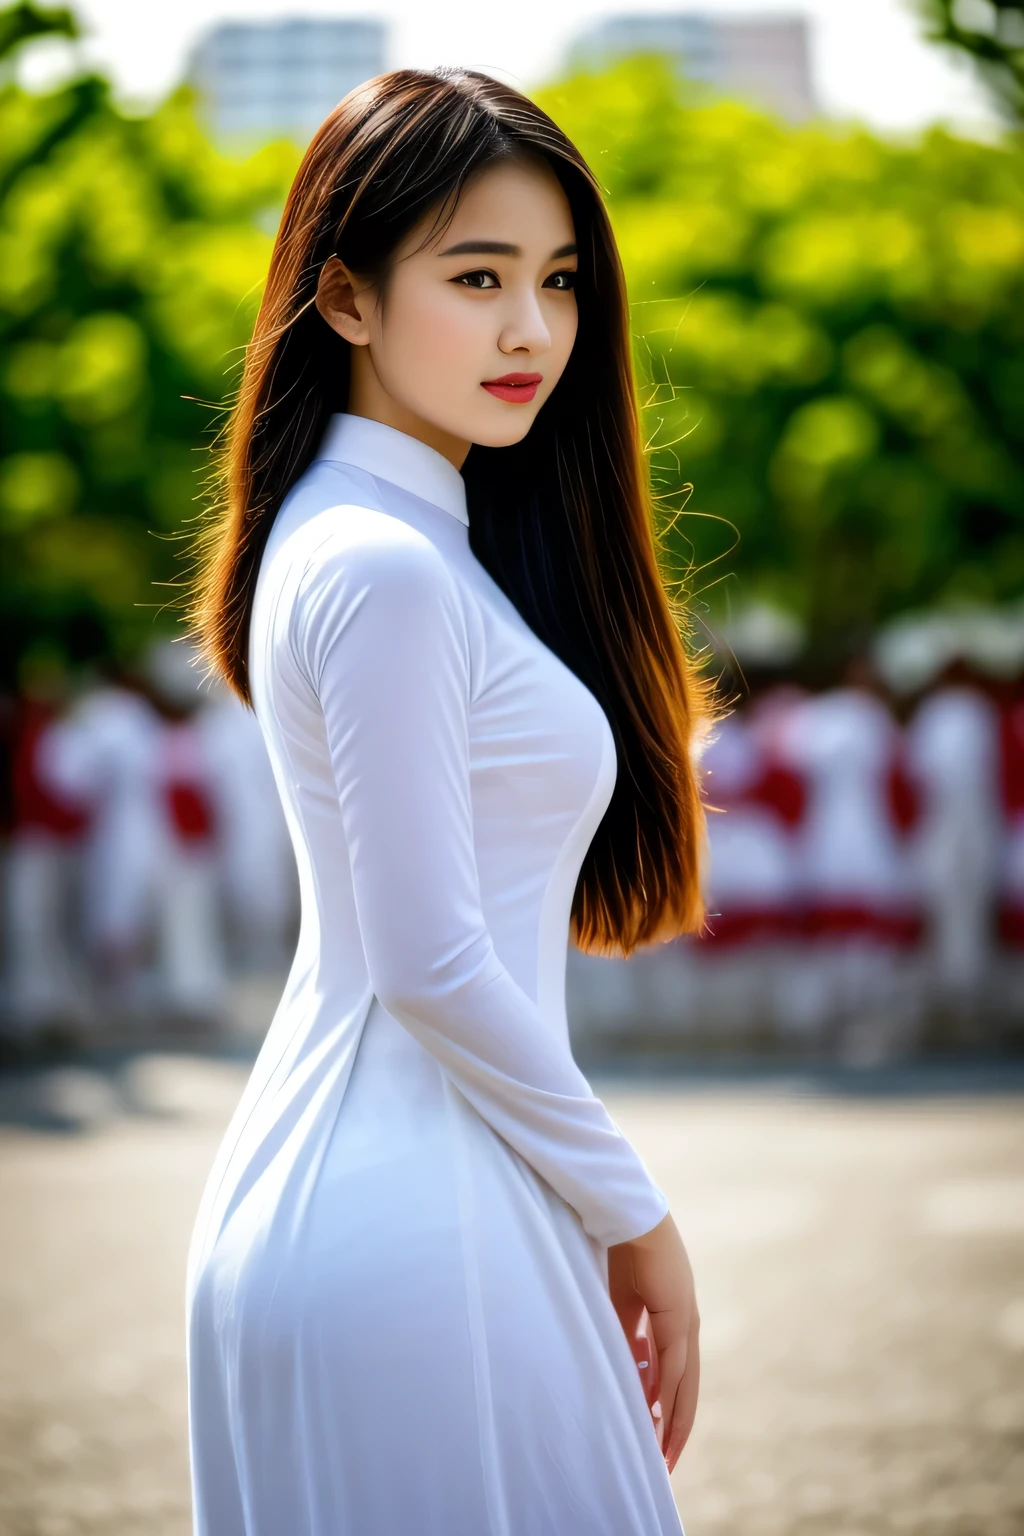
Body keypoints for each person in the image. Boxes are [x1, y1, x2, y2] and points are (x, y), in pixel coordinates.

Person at [184, 68, 709, 1535]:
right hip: (414, 1221)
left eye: (556, 281)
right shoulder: (387, 567)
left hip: (420, 1193)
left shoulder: (383, 540)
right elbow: (427, 962)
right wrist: (638, 1212)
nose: (531, 329)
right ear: (343, 300)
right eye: (476, 277)